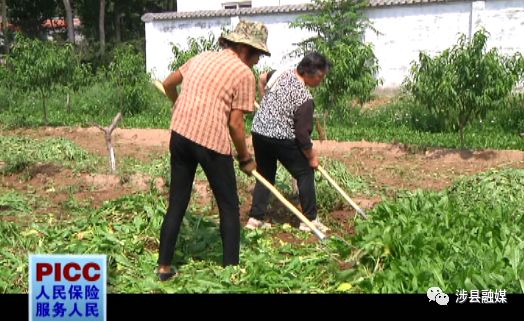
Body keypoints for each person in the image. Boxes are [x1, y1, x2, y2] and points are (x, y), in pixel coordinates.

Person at [157, 20, 271, 281]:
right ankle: (231, 271)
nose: (257, 62)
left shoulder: (203, 57)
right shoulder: (243, 74)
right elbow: (235, 123)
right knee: (229, 206)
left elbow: (167, 83)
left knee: (177, 202)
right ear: (245, 49)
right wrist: (245, 158)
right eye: (257, 55)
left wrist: (178, 105)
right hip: (210, 141)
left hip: (181, 135)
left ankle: (163, 267)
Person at [246, 52, 331, 232]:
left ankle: (255, 219)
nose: (321, 81)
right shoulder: (305, 99)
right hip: (280, 137)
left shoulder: (280, 74)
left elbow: (261, 78)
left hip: (259, 132)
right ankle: (310, 220)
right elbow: (302, 136)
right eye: (320, 76)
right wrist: (312, 157)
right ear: (308, 72)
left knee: (265, 174)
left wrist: (265, 102)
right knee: (304, 172)